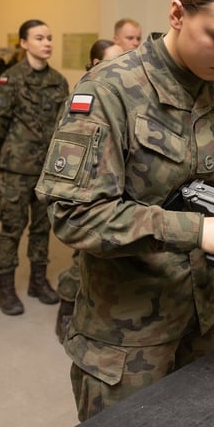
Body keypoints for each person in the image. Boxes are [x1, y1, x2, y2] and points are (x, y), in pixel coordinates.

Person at [35, 0, 214, 421]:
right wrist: (195, 231)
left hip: (209, 318)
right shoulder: (108, 90)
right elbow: (74, 216)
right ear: (176, 14)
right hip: (128, 336)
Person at [0, 19, 70, 316]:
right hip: (17, 168)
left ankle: (38, 281)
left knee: (42, 227)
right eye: (39, 38)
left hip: (48, 168)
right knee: (12, 228)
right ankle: (5, 288)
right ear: (23, 43)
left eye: (49, 37)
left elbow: (64, 123)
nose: (46, 43)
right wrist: (15, 146)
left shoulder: (58, 81)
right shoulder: (9, 80)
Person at [55, 38, 125, 343]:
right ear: (96, 64)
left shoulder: (123, 96)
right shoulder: (84, 96)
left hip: (117, 189)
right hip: (89, 189)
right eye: (114, 61)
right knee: (81, 257)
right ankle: (67, 306)